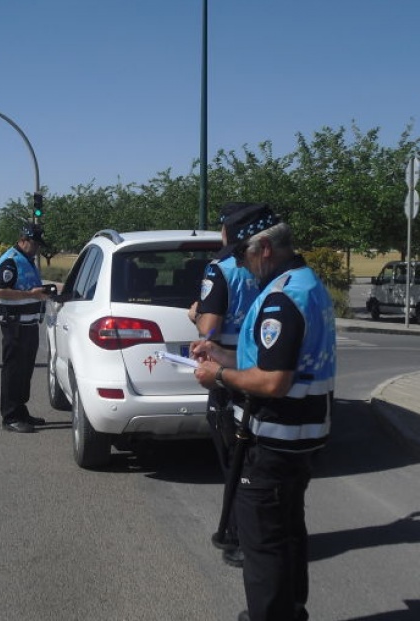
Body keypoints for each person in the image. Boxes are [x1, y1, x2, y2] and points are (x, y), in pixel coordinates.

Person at [190, 203, 336, 621]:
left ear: (265, 249)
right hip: (300, 435)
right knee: (288, 530)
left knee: (262, 543)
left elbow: (273, 382)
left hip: (274, 436)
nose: (239, 263)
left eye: (242, 254)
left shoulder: (281, 299)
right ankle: (291, 612)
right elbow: (270, 359)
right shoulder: (305, 283)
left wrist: (218, 375)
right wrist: (221, 352)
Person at [188, 202, 261, 569]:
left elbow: (209, 327)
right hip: (261, 367)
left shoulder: (222, 268)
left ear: (228, 231)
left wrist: (196, 312)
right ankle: (246, 534)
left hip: (228, 369)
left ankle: (239, 537)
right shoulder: (271, 268)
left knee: (235, 460)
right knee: (251, 459)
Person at [0, 222, 53, 434]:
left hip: (28, 324)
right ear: (23, 239)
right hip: (14, 324)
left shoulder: (26, 260)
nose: (37, 248)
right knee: (13, 371)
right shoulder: (11, 260)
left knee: (24, 371)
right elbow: (0, 291)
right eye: (35, 243)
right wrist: (32, 295)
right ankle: (10, 417)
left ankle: (21, 410)